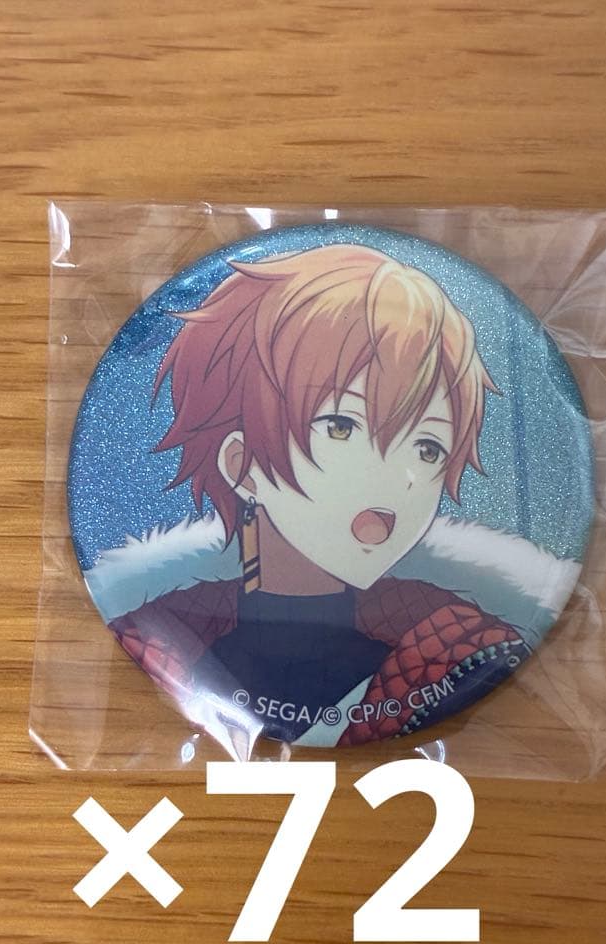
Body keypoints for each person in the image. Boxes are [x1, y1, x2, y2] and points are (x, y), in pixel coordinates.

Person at [109, 244, 527, 746]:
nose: (395, 480)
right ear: (241, 465)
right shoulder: (163, 635)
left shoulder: (461, 649)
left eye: (428, 447)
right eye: (341, 426)